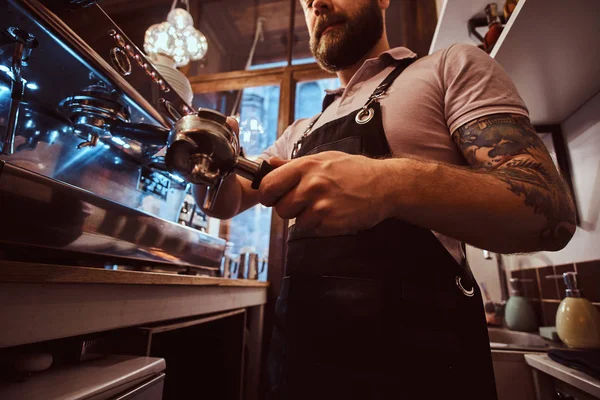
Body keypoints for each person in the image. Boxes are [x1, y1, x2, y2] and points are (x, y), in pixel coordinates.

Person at [194, 0, 577, 398]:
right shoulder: (301, 131)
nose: (316, 4)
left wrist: (387, 184)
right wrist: (208, 158)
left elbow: (550, 209)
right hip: (299, 376)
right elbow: (227, 200)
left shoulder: (449, 67)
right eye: (306, 1)